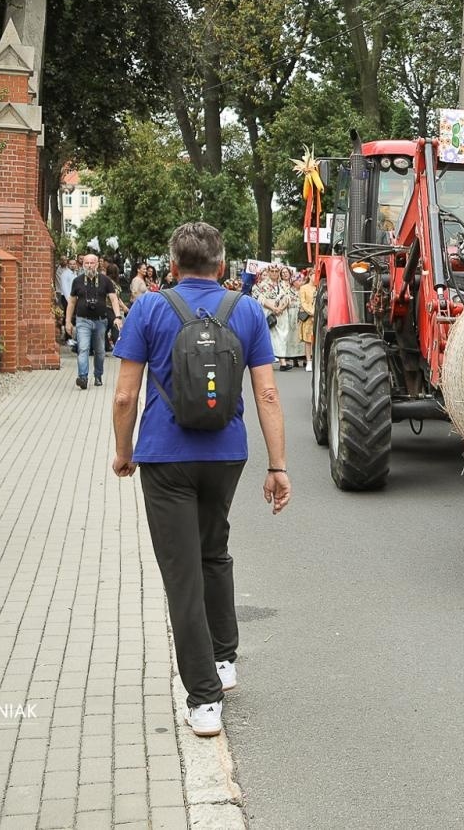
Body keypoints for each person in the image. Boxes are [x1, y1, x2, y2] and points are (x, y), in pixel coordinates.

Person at [111, 221, 290, 739]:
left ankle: (204, 698)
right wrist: (277, 467)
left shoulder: (148, 308)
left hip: (165, 457)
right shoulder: (248, 310)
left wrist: (124, 452)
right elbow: (268, 396)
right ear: (221, 264)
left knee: (181, 572)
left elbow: (125, 396)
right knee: (215, 551)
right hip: (226, 455)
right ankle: (225, 660)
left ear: (171, 266)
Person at [66, 253, 126, 389]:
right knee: (83, 348)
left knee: (99, 351)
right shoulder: (77, 281)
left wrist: (117, 316)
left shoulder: (105, 280)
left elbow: (113, 299)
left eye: (92, 263)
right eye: (86, 263)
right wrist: (68, 321)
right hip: (83, 321)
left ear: (97, 264)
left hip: (100, 321)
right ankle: (83, 377)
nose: (89, 266)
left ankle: (98, 374)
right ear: (82, 265)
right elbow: (71, 302)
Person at [297, 269, 318, 371]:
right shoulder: (304, 288)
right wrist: (312, 312)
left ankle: (315, 359)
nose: (315, 277)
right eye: (313, 275)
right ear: (310, 276)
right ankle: (308, 361)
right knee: (308, 340)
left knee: (317, 340)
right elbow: (303, 302)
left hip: (318, 316)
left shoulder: (319, 287)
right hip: (308, 317)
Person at [56, 256, 77, 344]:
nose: (72, 265)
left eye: (74, 264)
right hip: (67, 299)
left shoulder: (74, 273)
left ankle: (70, 337)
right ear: (68, 265)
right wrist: (69, 301)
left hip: (74, 299)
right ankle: (68, 338)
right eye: (71, 264)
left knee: (72, 318)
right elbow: (64, 288)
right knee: (68, 318)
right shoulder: (65, 274)